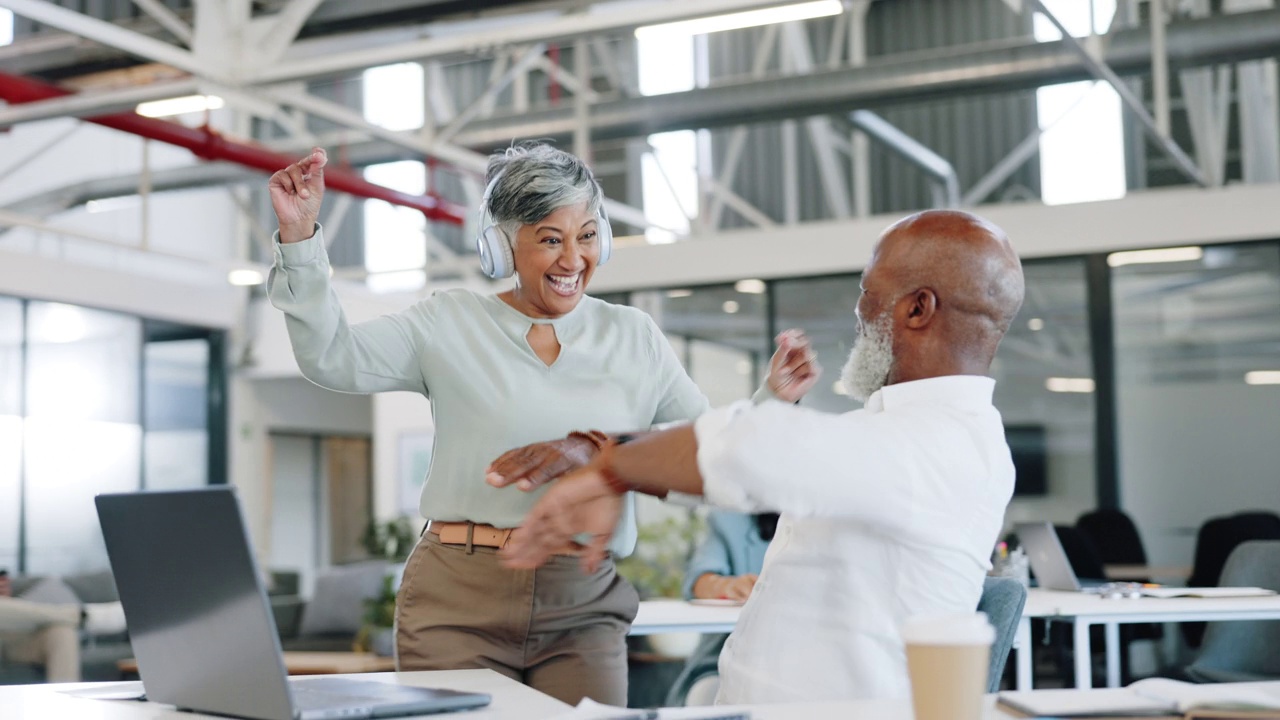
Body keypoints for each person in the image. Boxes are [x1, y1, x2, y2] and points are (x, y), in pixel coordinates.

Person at [264, 141, 809, 705]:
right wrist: (301, 240)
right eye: (551, 239)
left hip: (582, 602)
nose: (574, 260)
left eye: (588, 236)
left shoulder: (634, 337)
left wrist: (773, 398)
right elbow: (333, 356)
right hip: (459, 596)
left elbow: (707, 451)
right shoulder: (447, 322)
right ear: (503, 247)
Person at [494, 209, 1026, 705]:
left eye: (868, 291)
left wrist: (609, 466)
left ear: (917, 308)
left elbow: (756, 447)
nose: (859, 309)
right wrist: (623, 470)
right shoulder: (891, 430)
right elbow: (765, 461)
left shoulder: (943, 443)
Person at [665, 511, 774, 706]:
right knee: (707, 694)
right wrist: (727, 586)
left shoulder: (831, 523)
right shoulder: (731, 522)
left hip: (804, 662)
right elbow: (697, 581)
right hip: (727, 662)